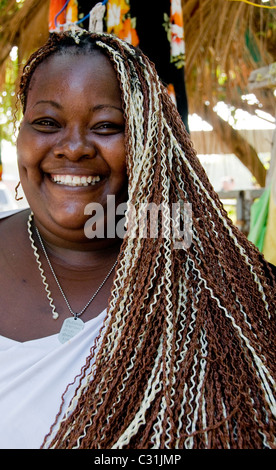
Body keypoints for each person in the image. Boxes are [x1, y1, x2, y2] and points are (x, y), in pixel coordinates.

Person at [0, 30, 275, 450]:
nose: (73, 148)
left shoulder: (233, 289)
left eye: (107, 126)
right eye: (47, 123)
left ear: (148, 143)